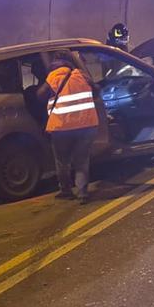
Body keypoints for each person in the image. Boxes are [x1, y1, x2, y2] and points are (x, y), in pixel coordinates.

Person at [38, 53, 100, 202]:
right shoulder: (81, 75)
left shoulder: (53, 77)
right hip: (86, 125)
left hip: (61, 127)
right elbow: (97, 89)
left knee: (62, 161)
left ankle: (66, 190)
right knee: (82, 160)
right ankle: (83, 192)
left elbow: (39, 95)